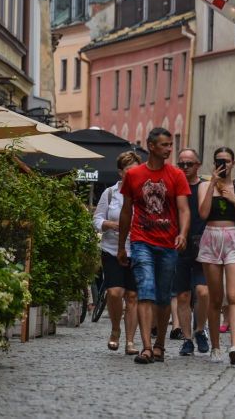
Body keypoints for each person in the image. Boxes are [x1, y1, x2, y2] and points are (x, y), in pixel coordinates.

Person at [117, 127, 191, 365]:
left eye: (171, 145)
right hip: (141, 241)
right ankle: (147, 347)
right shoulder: (134, 175)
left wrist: (183, 233)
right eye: (165, 145)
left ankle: (160, 345)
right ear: (151, 146)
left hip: (169, 243)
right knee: (146, 289)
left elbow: (183, 209)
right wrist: (121, 245)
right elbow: (126, 211)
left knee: (162, 295)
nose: (169, 149)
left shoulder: (176, 175)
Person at [196, 146, 235, 365]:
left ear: (233, 163)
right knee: (216, 298)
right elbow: (202, 213)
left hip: (233, 238)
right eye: (219, 161)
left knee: (234, 295)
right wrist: (212, 184)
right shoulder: (204, 186)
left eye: (227, 161)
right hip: (211, 236)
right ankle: (216, 346)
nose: (224, 164)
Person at [92, 151, 142, 355]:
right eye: (129, 171)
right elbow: (96, 220)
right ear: (121, 173)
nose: (133, 174)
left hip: (138, 249)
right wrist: (110, 224)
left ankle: (131, 340)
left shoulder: (144, 194)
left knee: (132, 295)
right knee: (115, 292)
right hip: (112, 249)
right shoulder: (110, 193)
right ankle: (115, 329)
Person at [172, 148, 210, 356]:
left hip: (204, 245)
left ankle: (199, 329)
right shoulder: (174, 187)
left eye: (189, 164)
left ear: (198, 165)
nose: (185, 167)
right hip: (179, 246)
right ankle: (187, 339)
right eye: (181, 164)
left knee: (203, 292)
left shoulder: (204, 187)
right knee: (183, 295)